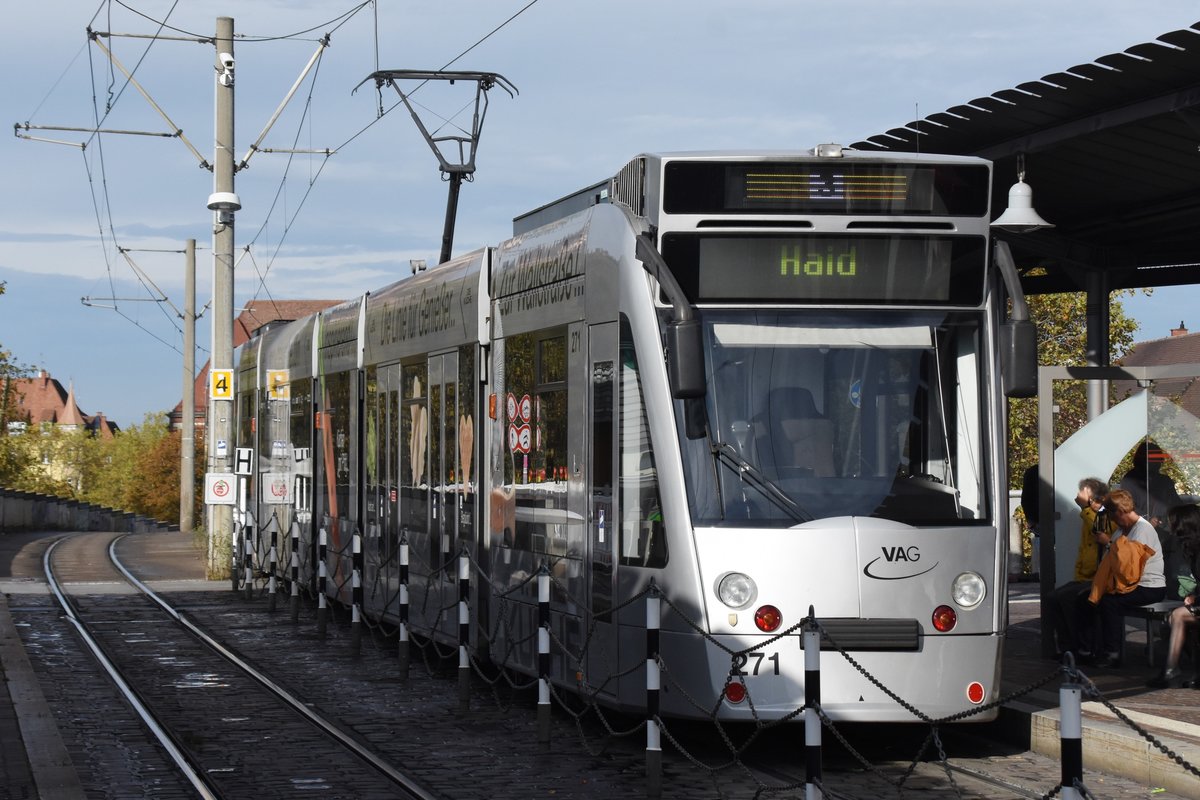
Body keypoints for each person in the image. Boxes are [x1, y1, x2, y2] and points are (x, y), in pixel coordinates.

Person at [1075, 488, 1167, 667]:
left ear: (1121, 512)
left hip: (1149, 586)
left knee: (1110, 603)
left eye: (1114, 517)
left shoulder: (1142, 530)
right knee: (1086, 599)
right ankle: (1086, 649)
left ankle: (1112, 652)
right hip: (1129, 584)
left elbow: (1128, 567)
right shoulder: (1122, 532)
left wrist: (1108, 543)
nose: (1115, 521)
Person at [1048, 477, 1117, 657]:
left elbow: (1099, 530)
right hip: (1085, 576)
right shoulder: (1090, 514)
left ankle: (1081, 647)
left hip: (1099, 577)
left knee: (1068, 598)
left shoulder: (1106, 514)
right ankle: (1067, 648)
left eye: (1081, 493)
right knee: (1054, 597)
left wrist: (1086, 508)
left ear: (1092, 496)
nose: (1077, 496)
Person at [1147, 503, 1200, 688]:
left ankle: (1171, 669)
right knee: (1176, 619)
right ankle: (1179, 669)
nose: (1169, 526)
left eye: (1172, 522)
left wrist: (1195, 598)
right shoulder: (1192, 547)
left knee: (1178, 616)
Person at [1120, 441, 1183, 529]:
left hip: (1167, 531)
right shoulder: (1130, 480)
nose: (1160, 463)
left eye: (1160, 459)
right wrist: (1147, 519)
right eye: (1156, 459)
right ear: (1145, 460)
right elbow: (1127, 507)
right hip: (1141, 531)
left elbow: (1177, 505)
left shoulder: (1165, 481)